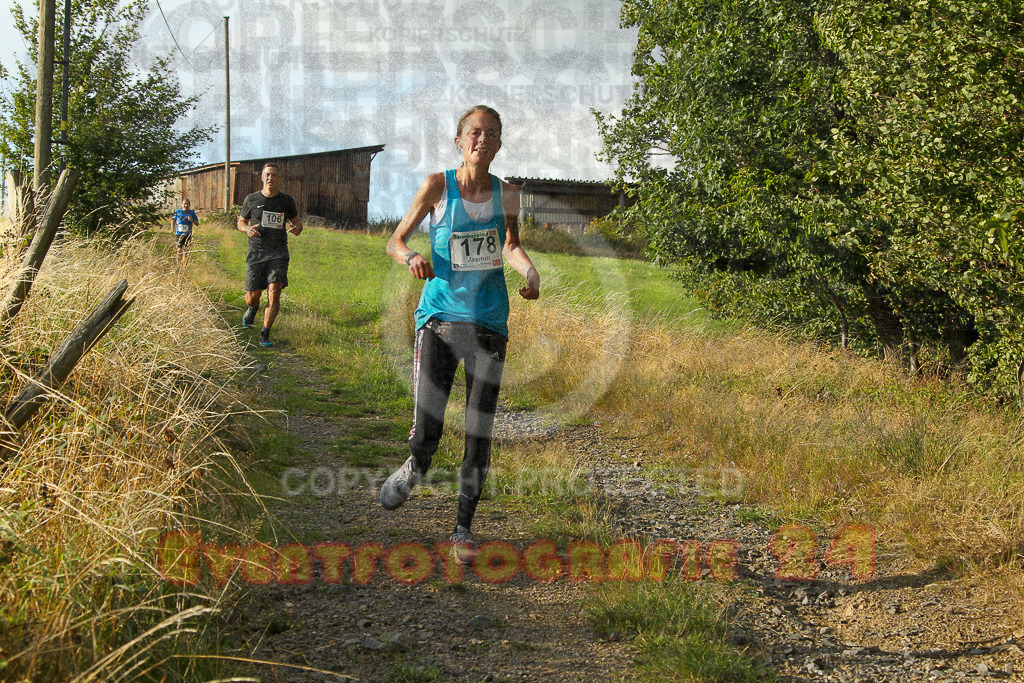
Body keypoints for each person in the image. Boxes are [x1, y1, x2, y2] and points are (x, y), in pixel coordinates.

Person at [380, 105, 541, 565]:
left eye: (492, 134)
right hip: (439, 321)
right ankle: (417, 463)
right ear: (458, 141)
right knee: (429, 431)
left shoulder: (507, 195)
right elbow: (395, 240)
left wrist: (529, 273)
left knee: (478, 429)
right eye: (475, 132)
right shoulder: (436, 186)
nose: (482, 140)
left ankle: (463, 528)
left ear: (499, 144)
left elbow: (509, 245)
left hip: (489, 322)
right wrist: (410, 257)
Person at [237, 163, 303, 347]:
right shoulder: (251, 199)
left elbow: (297, 221)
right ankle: (253, 307)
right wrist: (247, 229)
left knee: (274, 291)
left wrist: (297, 228)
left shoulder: (286, 201)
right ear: (262, 177)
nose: (270, 178)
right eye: (267, 175)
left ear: (279, 179)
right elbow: (241, 222)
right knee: (252, 295)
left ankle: (265, 333)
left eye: (274, 175)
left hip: (278, 252)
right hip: (256, 252)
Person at [172, 198, 199, 269]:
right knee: (179, 249)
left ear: (189, 205)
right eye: (184, 204)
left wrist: (192, 220)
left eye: (187, 204)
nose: (186, 205)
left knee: (186, 250)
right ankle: (177, 265)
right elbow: (173, 220)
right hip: (179, 233)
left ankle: (184, 266)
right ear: (181, 205)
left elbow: (197, 223)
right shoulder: (177, 212)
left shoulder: (192, 213)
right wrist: (172, 228)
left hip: (188, 234)